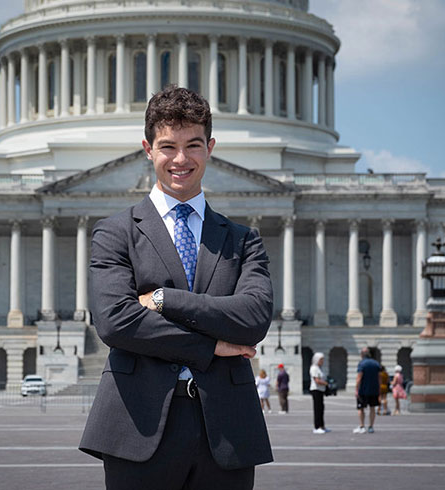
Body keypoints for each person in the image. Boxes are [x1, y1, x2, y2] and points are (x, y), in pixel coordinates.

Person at [79, 85, 274, 489]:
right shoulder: (114, 232)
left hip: (226, 430)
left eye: (194, 145)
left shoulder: (242, 239)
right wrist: (209, 346)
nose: (181, 159)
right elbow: (116, 322)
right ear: (148, 149)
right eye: (168, 146)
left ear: (211, 147)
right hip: (138, 425)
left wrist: (164, 300)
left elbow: (253, 320)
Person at [353, 347, 381, 434]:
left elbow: (359, 377)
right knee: (372, 408)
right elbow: (379, 378)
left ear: (362, 354)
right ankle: (371, 426)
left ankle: (362, 426)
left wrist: (356, 389)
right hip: (374, 389)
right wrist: (379, 388)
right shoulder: (376, 364)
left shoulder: (362, 364)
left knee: (361, 408)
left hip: (363, 390)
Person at [309, 352, 330, 434]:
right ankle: (317, 426)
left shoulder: (319, 368)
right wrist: (326, 384)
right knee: (317, 409)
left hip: (320, 390)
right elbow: (317, 380)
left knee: (321, 408)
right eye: (321, 359)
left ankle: (322, 426)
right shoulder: (314, 368)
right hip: (316, 390)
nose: (322, 361)